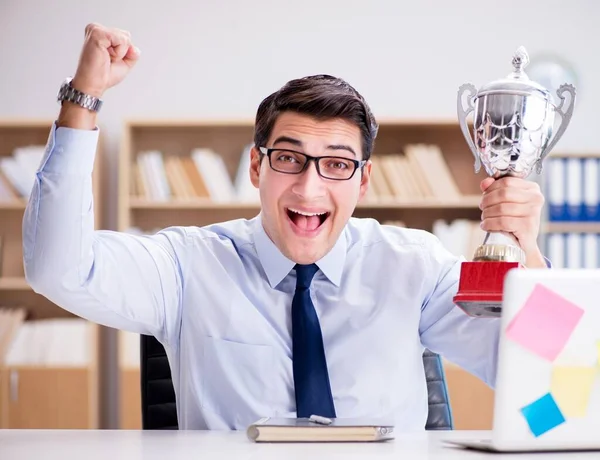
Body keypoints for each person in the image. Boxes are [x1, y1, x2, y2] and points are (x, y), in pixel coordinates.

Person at [22, 24, 547, 431]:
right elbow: (57, 269)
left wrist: (529, 255)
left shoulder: (414, 266)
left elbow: (543, 379)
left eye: (337, 164)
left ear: (363, 182)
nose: (310, 189)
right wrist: (83, 97)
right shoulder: (188, 265)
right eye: (290, 159)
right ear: (257, 167)